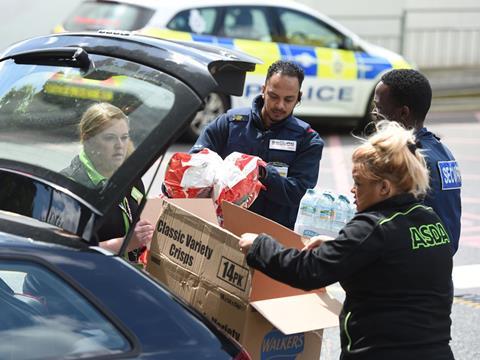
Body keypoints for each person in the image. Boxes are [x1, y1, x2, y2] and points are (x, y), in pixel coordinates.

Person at [239, 121, 454, 360]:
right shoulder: (430, 220)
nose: (353, 191)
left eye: (359, 183)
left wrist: (260, 246)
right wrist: (336, 247)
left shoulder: (372, 228)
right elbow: (391, 268)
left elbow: (308, 271)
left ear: (384, 188)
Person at [190, 60, 324, 229]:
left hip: (273, 239)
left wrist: (264, 173)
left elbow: (300, 194)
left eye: (288, 99)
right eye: (273, 96)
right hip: (223, 229)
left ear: (299, 97)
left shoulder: (308, 140)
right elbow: (194, 163)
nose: (280, 105)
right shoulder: (230, 123)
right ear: (263, 90)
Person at [371, 68, 462, 254]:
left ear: (403, 113)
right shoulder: (443, 152)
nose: (374, 114)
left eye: (379, 109)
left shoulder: (407, 159)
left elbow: (385, 221)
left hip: (412, 269)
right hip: (439, 266)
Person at [61, 102, 153, 258]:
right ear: (87, 139)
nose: (120, 145)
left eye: (124, 137)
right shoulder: (68, 187)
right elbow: (66, 253)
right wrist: (127, 243)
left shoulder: (131, 178)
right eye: (110, 138)